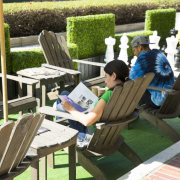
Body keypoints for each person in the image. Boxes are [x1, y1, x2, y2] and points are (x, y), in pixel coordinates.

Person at [56, 60, 130, 147]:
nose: (105, 81)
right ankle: (59, 107)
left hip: (90, 134)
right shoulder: (126, 89)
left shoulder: (109, 94)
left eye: (106, 77)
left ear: (113, 76)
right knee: (64, 93)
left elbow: (87, 121)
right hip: (108, 130)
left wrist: (70, 109)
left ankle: (58, 112)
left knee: (61, 102)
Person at [129, 35, 175, 109]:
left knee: (133, 86)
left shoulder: (144, 57)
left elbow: (131, 77)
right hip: (170, 98)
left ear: (140, 47)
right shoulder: (158, 52)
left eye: (134, 50)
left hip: (159, 101)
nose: (134, 53)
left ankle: (128, 111)